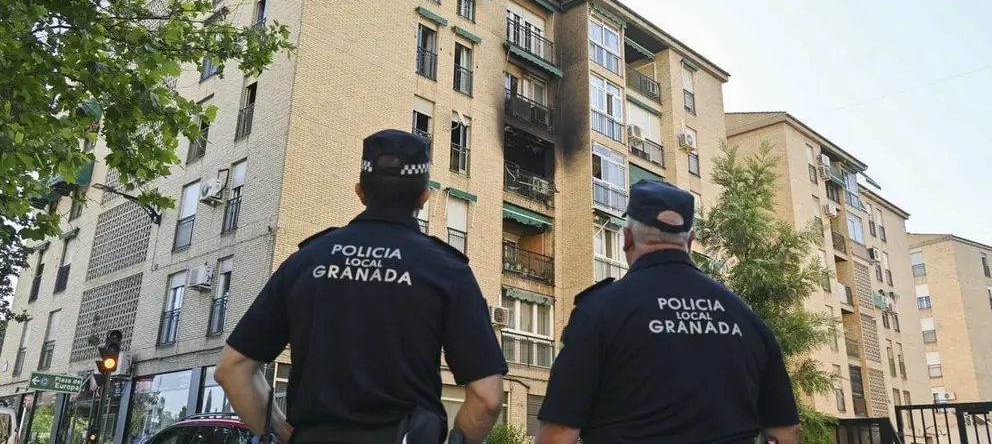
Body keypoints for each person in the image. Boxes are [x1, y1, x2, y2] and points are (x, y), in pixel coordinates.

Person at [214, 129, 508, 444]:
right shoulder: (447, 270)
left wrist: (285, 435)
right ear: (424, 197)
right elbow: (487, 398)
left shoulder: (306, 262)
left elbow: (233, 369)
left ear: (360, 192)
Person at [534, 179, 802, 444]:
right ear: (691, 241)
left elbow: (558, 435)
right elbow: (785, 433)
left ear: (626, 239)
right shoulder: (746, 317)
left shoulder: (597, 313)